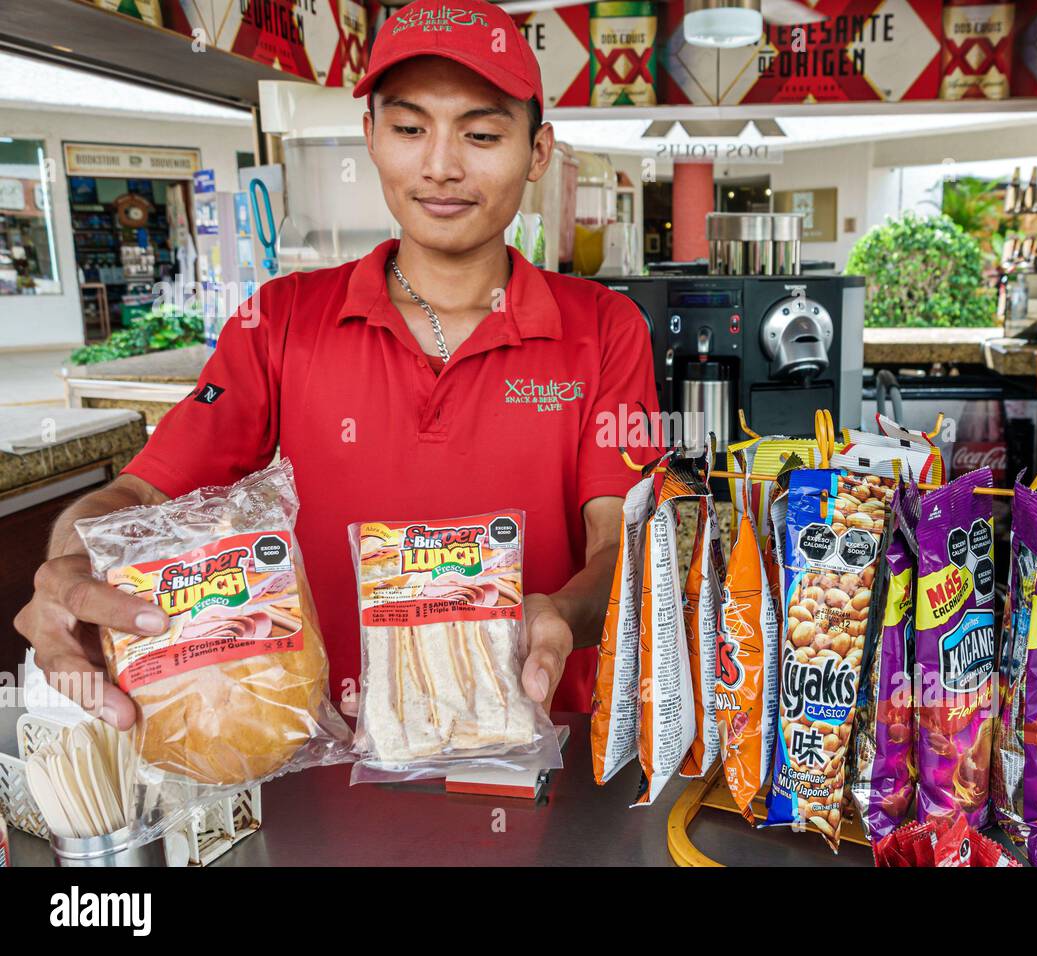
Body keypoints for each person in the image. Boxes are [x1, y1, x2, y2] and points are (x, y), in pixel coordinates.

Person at [14, 0, 660, 728]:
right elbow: (138, 494)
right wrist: (72, 562)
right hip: (322, 748)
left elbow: (619, 543)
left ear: (538, 152)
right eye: (409, 129)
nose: (441, 166)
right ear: (370, 138)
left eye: (481, 134)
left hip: (541, 744)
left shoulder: (604, 328)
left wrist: (563, 614)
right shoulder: (282, 319)